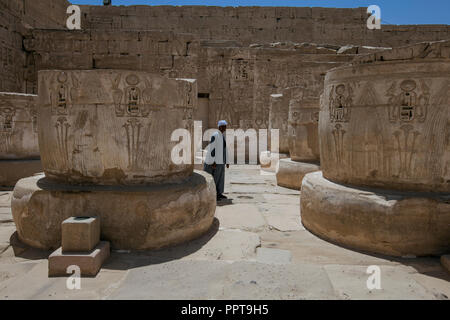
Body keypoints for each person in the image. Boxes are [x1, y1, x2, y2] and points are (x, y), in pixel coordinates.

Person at [204, 120, 230, 201]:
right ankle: (214, 194)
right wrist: (212, 161)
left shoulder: (222, 136)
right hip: (215, 162)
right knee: (215, 179)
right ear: (220, 127)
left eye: (225, 126)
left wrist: (227, 161)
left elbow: (224, 149)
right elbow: (212, 148)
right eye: (224, 126)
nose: (225, 128)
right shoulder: (215, 135)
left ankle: (219, 193)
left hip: (221, 161)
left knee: (220, 178)